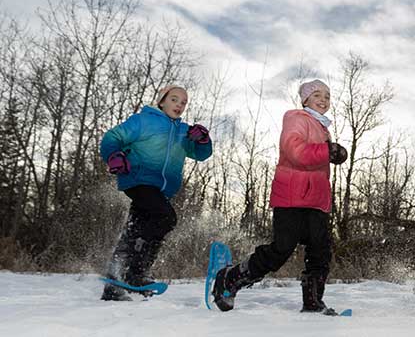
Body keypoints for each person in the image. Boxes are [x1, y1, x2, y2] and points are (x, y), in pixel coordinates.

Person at [212, 79, 348, 315]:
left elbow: (316, 159)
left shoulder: (323, 128)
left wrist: (333, 152)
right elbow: (294, 151)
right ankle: (230, 278)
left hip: (316, 200)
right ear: (305, 99)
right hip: (292, 197)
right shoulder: (295, 118)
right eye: (317, 95)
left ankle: (313, 301)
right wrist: (327, 151)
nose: (324, 99)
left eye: (327, 96)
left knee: (320, 251)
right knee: (281, 249)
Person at [99, 85, 213, 301]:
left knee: (135, 229)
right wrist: (113, 155)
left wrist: (203, 140)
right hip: (138, 178)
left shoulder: (183, 132)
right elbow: (113, 136)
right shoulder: (144, 120)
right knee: (166, 217)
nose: (179, 105)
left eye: (183, 102)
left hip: (161, 190)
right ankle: (136, 273)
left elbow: (201, 154)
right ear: (161, 101)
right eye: (174, 99)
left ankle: (114, 284)